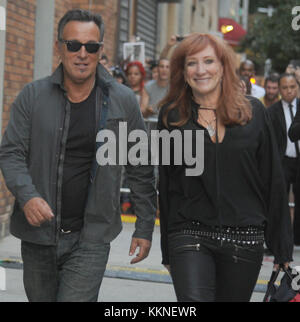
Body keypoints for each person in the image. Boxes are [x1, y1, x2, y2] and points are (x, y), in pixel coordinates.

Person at [0, 9, 156, 302]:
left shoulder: (123, 101)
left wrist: (145, 226)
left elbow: (141, 166)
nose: (82, 53)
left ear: (99, 50)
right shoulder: (32, 97)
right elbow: (11, 152)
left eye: (91, 46)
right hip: (39, 236)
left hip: (92, 237)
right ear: (59, 47)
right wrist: (28, 195)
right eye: (73, 45)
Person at [158, 33, 293, 302]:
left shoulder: (253, 113)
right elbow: (167, 185)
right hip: (189, 233)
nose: (201, 70)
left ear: (223, 67)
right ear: (183, 72)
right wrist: (167, 250)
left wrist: (282, 249)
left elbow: (273, 181)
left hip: (245, 238)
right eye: (192, 63)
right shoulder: (172, 116)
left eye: (208, 61)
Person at [268, 73, 300, 245]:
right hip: (283, 160)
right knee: (280, 201)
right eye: (285, 88)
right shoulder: (272, 111)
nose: (289, 91)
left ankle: (297, 239)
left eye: (292, 87)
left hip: (299, 160)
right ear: (280, 90)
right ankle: (280, 239)